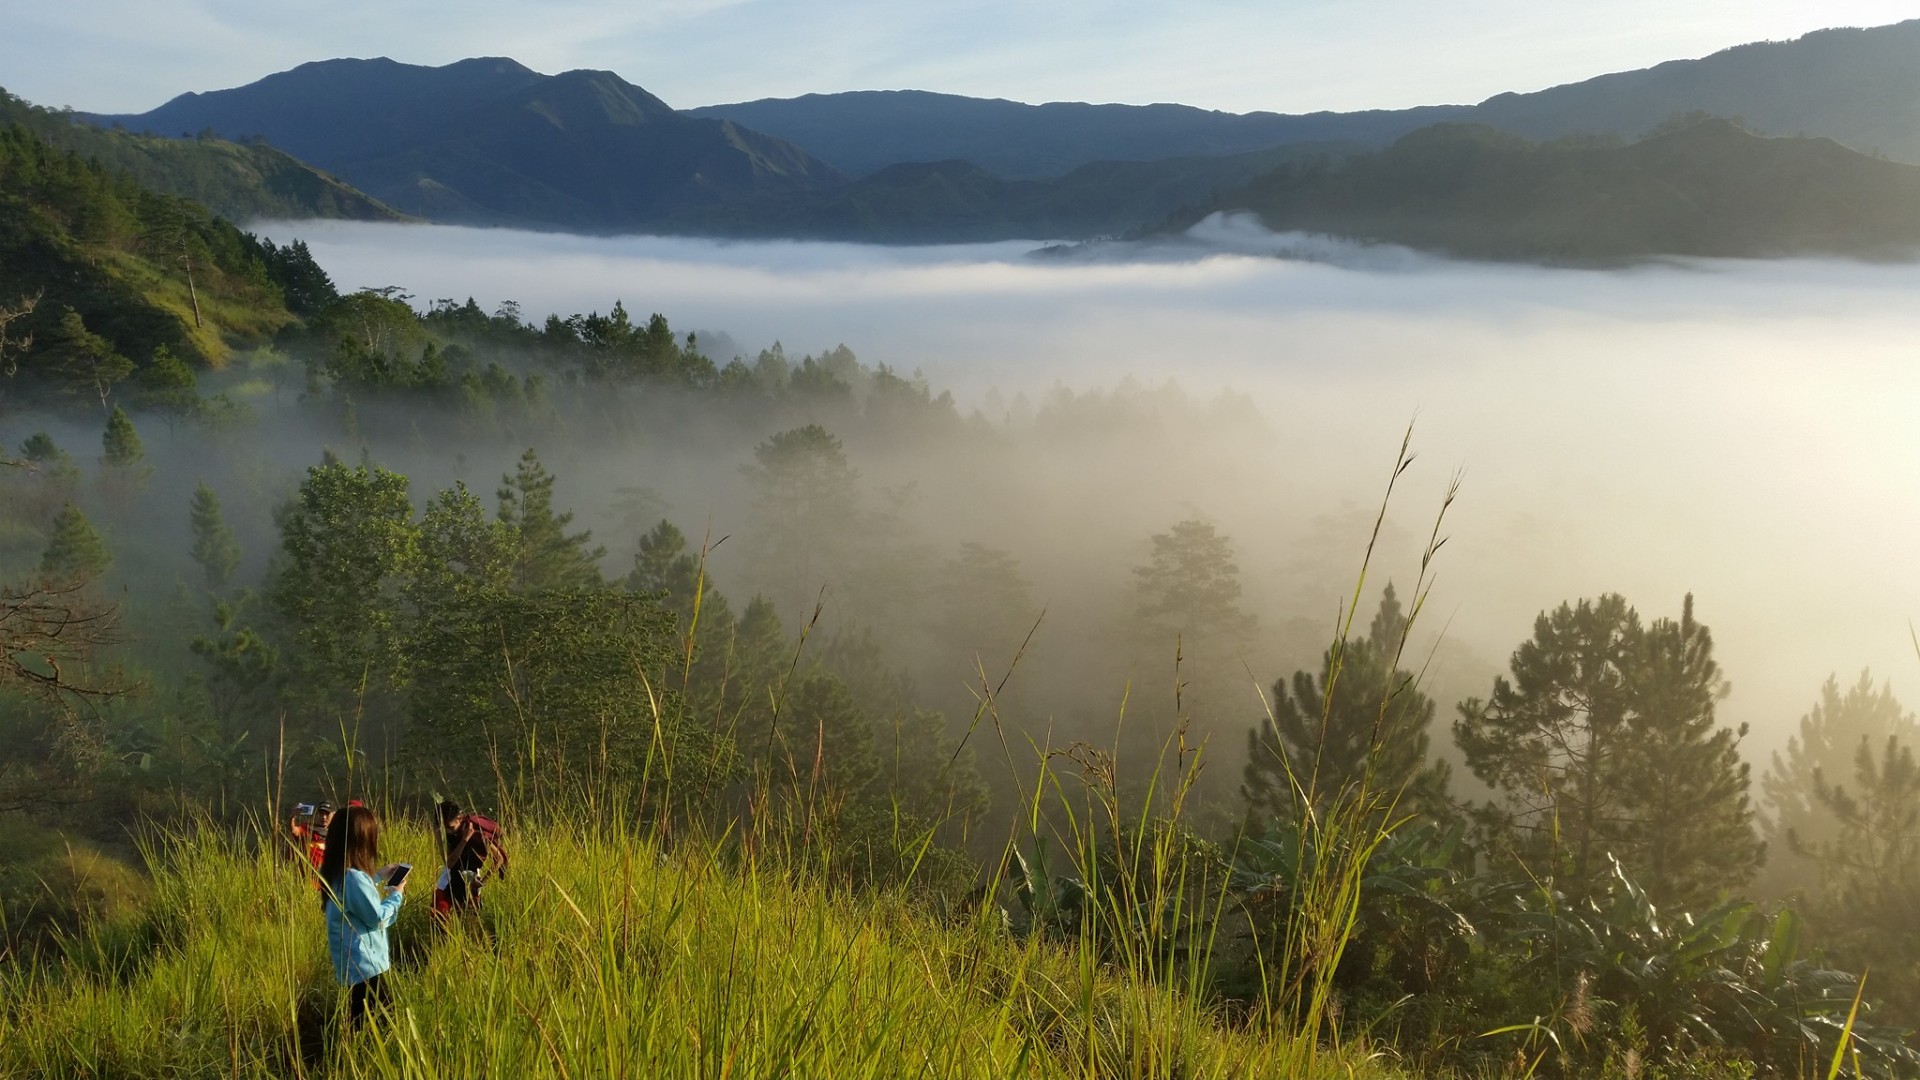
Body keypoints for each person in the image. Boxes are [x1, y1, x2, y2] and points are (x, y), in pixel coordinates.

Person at [317, 803, 407, 1029]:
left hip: (354, 966)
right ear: (362, 841)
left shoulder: (336, 874)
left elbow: (354, 900)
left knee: (362, 1020)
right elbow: (376, 918)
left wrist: (377, 876)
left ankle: (352, 1058)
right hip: (365, 966)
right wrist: (396, 895)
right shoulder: (354, 879)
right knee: (377, 1025)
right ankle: (355, 1061)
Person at [434, 801, 506, 922]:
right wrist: (464, 840)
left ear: (459, 818)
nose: (448, 831)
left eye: (450, 827)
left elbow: (499, 859)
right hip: (450, 876)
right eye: (443, 827)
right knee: (438, 914)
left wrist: (482, 881)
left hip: (472, 877)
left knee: (469, 917)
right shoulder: (440, 833)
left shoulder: (478, 832)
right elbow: (449, 863)